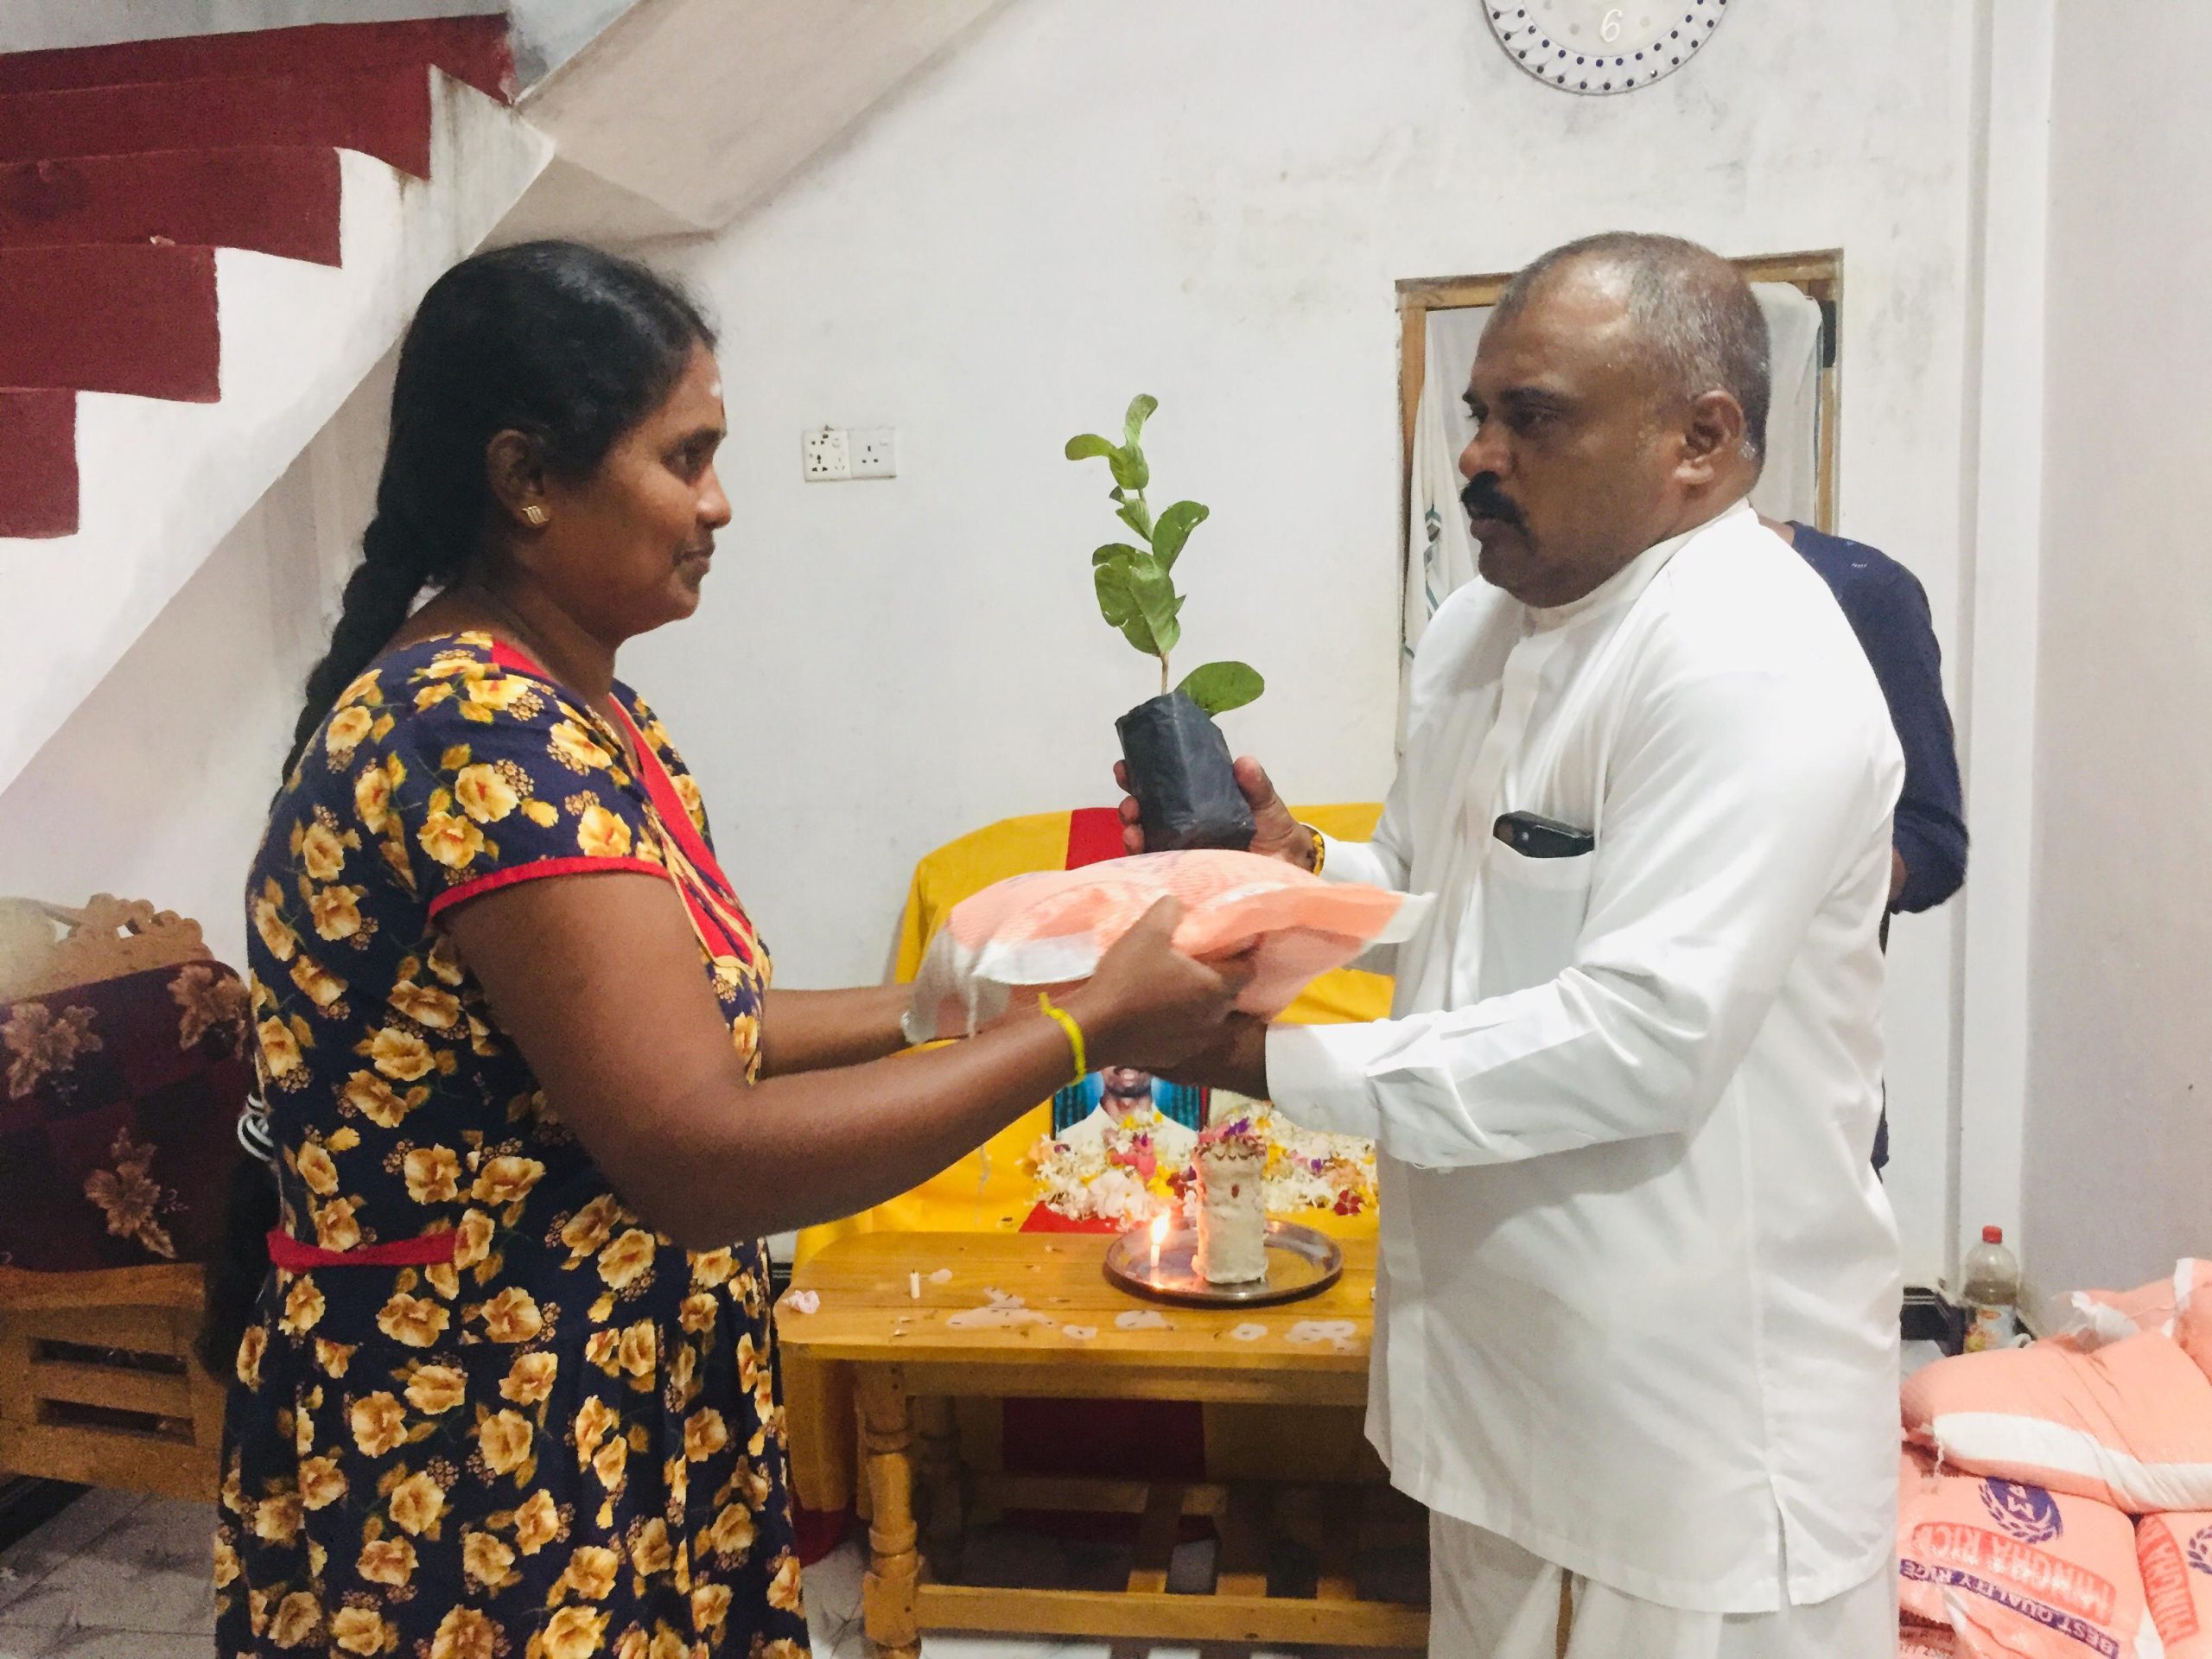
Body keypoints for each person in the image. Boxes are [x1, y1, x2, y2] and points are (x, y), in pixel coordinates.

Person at [203, 241, 1246, 1659]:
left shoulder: (586, 712)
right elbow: (699, 1156)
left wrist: (954, 1000)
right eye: (683, 457)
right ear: (526, 479)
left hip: (604, 1395)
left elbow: (704, 1024)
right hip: (489, 1448)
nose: (719, 503)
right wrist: (1080, 1032)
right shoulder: (477, 736)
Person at [1122, 232, 1904, 1656]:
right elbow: (1437, 890)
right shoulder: (1482, 628)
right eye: (1478, 413)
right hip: (1499, 1373)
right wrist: (1298, 875)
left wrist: (1258, 1062)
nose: (1478, 456)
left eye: (1532, 418)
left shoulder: (1748, 658)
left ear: (1700, 441)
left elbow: (1644, 1038)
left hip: (1693, 1430)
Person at [1765, 513, 1967, 1172]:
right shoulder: (1550, 603)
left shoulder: (1861, 590)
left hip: (1807, 1122)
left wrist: (1806, 873)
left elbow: (1931, 840)